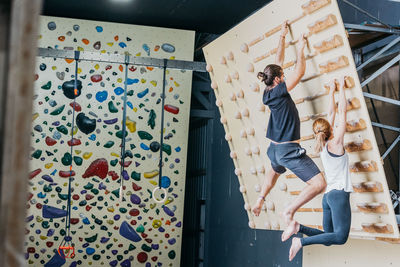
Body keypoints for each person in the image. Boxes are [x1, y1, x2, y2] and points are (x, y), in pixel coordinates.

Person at [252, 21, 326, 227]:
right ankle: (290, 210)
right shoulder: (278, 90)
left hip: (274, 150)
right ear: (277, 80)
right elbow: (300, 71)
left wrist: (282, 36)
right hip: (286, 149)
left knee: (274, 172)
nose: (284, 77)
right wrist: (301, 48)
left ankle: (260, 198)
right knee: (319, 183)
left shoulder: (268, 90)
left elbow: (278, 61)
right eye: (282, 76)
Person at [282, 77, 353, 261]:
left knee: (329, 238)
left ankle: (299, 228)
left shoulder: (322, 145)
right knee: (340, 237)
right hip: (337, 195)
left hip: (328, 198)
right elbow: (342, 111)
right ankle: (300, 242)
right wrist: (342, 87)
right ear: (329, 129)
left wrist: (332, 90)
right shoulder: (336, 142)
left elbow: (333, 112)